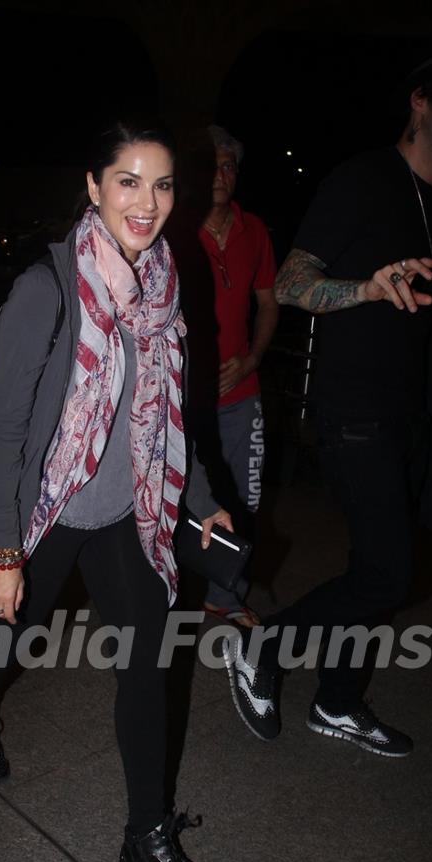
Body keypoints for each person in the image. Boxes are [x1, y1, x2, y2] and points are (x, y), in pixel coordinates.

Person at [0, 120, 231, 862]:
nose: (147, 203)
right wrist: (3, 553)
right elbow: (5, 427)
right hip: (47, 510)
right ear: (93, 185)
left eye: (164, 184)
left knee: (149, 667)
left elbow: (172, 411)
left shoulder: (165, 285)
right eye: (128, 181)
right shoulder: (47, 289)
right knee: (15, 633)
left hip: (127, 514)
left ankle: (146, 837)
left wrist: (203, 502)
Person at [222, 49, 432, 752]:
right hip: (354, 412)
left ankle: (338, 700)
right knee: (390, 572)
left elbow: (427, 311)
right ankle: (265, 647)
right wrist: (365, 289)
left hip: (410, 410)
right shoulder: (362, 179)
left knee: (374, 571)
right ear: (421, 100)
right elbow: (291, 283)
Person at [193, 126, 279, 630]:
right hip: (187, 396)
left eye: (228, 166)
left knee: (244, 497)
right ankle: (165, 586)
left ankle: (225, 595)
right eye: (211, 165)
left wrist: (250, 361)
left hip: (241, 392)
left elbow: (267, 304)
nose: (220, 174)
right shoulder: (176, 230)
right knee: (180, 491)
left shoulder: (256, 231)